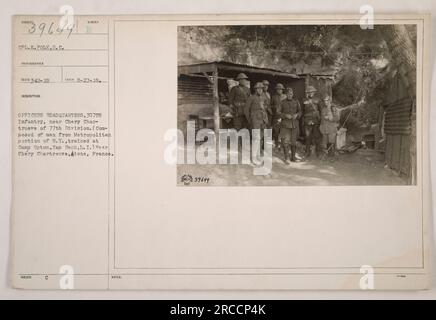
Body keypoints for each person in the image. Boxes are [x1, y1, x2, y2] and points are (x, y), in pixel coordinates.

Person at [277, 87, 302, 164]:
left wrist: (297, 115)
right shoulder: (282, 102)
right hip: (285, 125)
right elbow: (278, 112)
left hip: (294, 124)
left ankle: (293, 157)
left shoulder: (296, 101)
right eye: (288, 94)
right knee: (286, 142)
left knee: (294, 142)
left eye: (291, 94)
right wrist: (285, 115)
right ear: (286, 94)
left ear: (292, 94)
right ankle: (287, 158)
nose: (290, 95)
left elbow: (300, 111)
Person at [245, 82, 269, 153]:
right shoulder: (251, 98)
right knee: (256, 137)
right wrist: (250, 120)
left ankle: (260, 150)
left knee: (262, 135)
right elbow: (246, 110)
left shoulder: (263, 98)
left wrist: (265, 117)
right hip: (255, 120)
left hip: (263, 119)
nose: (260, 90)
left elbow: (266, 107)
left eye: (261, 89)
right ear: (255, 89)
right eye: (258, 89)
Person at [303, 85, 321, 158]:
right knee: (308, 137)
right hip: (307, 121)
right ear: (307, 93)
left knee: (316, 137)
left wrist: (319, 120)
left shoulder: (317, 99)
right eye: (309, 92)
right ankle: (307, 152)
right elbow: (303, 111)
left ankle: (318, 152)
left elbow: (320, 110)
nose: (310, 93)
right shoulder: (304, 100)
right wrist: (305, 121)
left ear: (314, 92)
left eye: (312, 92)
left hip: (315, 120)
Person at [319, 95, 340, 159]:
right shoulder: (323, 109)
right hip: (325, 128)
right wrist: (321, 127)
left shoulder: (334, 108)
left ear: (330, 100)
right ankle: (326, 155)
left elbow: (337, 118)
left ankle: (332, 156)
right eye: (324, 100)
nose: (325, 102)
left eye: (327, 100)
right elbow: (322, 120)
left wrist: (330, 118)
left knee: (332, 142)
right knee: (324, 143)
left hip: (332, 128)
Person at [270, 83, 287, 148]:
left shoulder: (285, 96)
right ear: (276, 90)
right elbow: (270, 106)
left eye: (281, 89)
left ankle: (282, 145)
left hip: (283, 117)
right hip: (276, 117)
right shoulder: (274, 97)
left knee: (283, 131)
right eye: (278, 89)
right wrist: (275, 107)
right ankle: (277, 144)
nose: (279, 90)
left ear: (282, 90)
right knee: (276, 131)